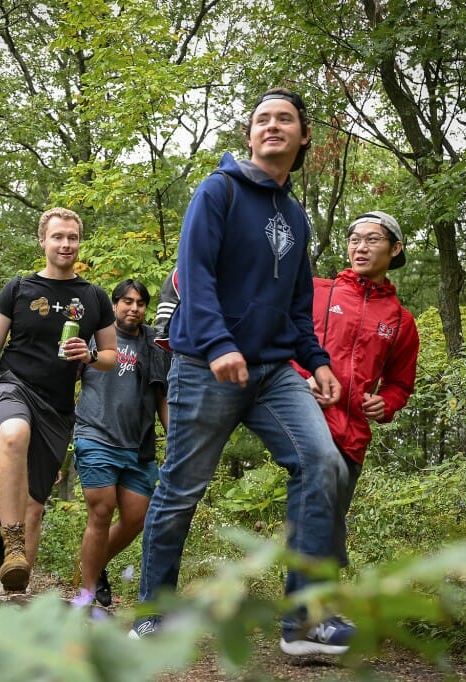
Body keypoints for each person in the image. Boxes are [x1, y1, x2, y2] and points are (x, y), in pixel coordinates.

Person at [132, 88, 349, 656]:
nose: (273, 126)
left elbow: (299, 307)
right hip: (207, 365)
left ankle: (304, 619)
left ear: (304, 139)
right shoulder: (218, 190)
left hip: (275, 371)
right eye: (262, 119)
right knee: (182, 488)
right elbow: (193, 275)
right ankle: (155, 613)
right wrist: (219, 342)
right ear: (249, 136)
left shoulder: (297, 216)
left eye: (286, 119)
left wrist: (319, 362)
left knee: (322, 461)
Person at [0, 207, 118, 593]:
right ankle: (10, 545)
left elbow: (111, 357)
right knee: (12, 433)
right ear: (42, 241)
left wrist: (89, 356)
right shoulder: (19, 289)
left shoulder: (94, 298)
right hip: (10, 385)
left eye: (72, 237)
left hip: (57, 407)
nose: (65, 244)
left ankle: (14, 585)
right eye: (58, 236)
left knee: (34, 507)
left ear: (79, 242)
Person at [293, 211, 419, 583]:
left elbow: (400, 383)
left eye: (372, 240)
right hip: (307, 416)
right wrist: (304, 377)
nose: (360, 247)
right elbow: (281, 342)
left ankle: (317, 607)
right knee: (319, 505)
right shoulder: (317, 292)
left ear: (395, 249)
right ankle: (311, 608)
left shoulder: (400, 320)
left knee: (330, 516)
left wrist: (388, 402)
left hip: (353, 435)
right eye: (354, 239)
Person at [73, 279, 170, 607]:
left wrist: (175, 439)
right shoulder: (95, 336)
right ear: (114, 305)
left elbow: (162, 396)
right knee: (102, 510)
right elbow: (64, 377)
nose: (134, 308)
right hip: (95, 434)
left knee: (136, 519)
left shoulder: (154, 344)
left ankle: (94, 564)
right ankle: (85, 597)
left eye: (140, 303)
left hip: (138, 445)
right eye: (126, 301)